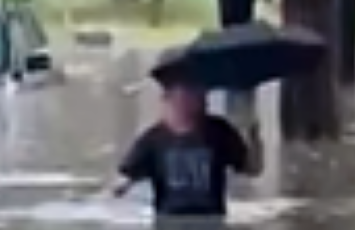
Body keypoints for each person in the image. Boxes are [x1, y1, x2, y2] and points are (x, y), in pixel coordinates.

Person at [112, 80, 263, 218]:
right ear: (167, 100)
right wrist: (122, 186)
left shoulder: (219, 131)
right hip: (170, 220)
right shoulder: (153, 139)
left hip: (211, 219)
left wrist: (255, 139)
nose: (198, 99)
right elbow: (125, 177)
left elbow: (253, 169)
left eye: (199, 93)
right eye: (184, 95)